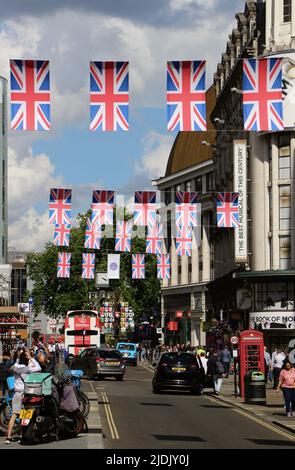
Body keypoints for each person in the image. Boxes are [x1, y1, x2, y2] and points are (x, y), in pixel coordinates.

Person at [6, 349, 41, 444]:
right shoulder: (27, 369)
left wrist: (19, 356)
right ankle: (22, 436)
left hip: (16, 394)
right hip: (24, 394)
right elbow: (38, 368)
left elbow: (17, 361)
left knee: (14, 415)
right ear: (26, 360)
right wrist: (31, 358)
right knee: (24, 416)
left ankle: (8, 437)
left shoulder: (14, 367)